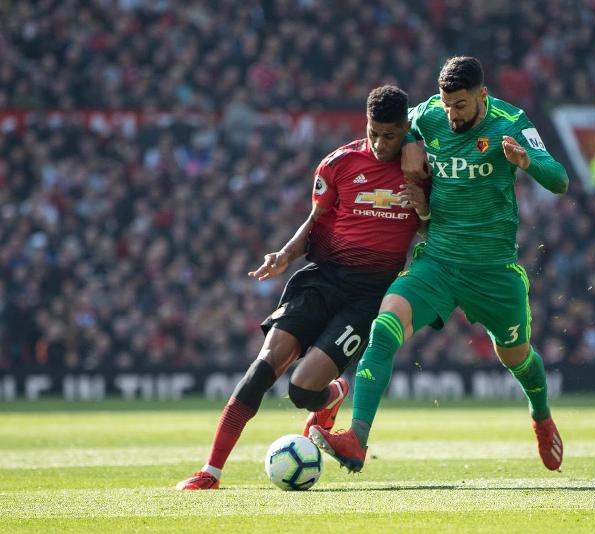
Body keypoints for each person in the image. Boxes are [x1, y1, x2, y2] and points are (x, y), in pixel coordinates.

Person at [310, 56, 569, 473]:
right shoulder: (430, 114)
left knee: (517, 359)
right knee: (384, 325)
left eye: (461, 106)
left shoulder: (512, 121)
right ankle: (357, 438)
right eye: (447, 104)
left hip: (493, 270)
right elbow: (401, 121)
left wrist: (526, 162)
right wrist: (411, 141)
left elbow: (559, 179)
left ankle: (540, 415)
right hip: (439, 262)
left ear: (483, 95)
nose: (451, 115)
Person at [176, 86, 430, 490]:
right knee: (263, 367)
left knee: (299, 390)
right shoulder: (339, 163)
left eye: (391, 135)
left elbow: (432, 227)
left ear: (405, 129)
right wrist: (284, 254)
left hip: (367, 297)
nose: (381, 143)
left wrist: (423, 205)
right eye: (374, 132)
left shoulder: (422, 169)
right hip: (322, 278)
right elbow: (314, 223)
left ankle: (331, 394)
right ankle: (211, 471)